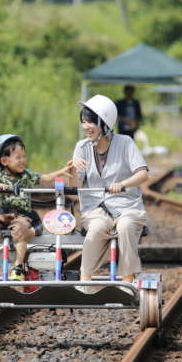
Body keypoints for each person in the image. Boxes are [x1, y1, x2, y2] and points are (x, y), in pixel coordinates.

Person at [70, 94, 149, 283]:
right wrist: (73, 168)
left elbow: (143, 174)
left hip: (126, 205)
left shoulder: (125, 143)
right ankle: (85, 280)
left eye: (91, 122)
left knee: (126, 226)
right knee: (96, 228)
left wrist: (122, 184)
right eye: (83, 122)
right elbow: (74, 186)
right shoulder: (81, 147)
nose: (86, 127)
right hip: (95, 208)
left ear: (105, 124)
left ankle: (127, 279)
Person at [0, 134, 72, 281]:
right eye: (18, 157)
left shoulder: (26, 175)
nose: (23, 161)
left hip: (21, 215)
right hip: (1, 213)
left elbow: (44, 178)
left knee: (21, 230)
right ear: (4, 160)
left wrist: (61, 171)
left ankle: (18, 266)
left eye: (24, 156)